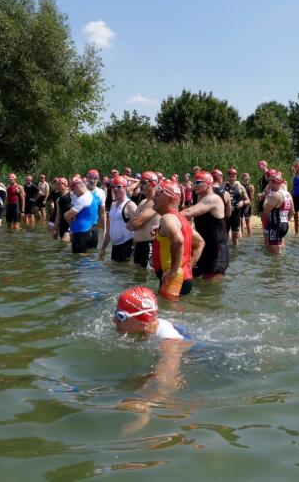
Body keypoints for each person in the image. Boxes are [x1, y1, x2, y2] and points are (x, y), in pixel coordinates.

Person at [113, 286, 193, 432]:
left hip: (204, 357)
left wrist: (146, 404)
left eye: (121, 316)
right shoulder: (146, 325)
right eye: (115, 312)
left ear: (143, 322)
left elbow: (168, 381)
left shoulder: (169, 343)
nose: (114, 320)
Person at [151, 180, 204, 300]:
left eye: (158, 194)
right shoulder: (181, 219)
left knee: (168, 309)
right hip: (183, 276)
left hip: (173, 278)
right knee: (175, 310)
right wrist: (188, 265)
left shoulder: (167, 218)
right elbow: (200, 243)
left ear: (169, 198)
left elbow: (178, 240)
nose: (153, 198)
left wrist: (173, 272)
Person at [181, 171, 229, 278]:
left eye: (198, 182)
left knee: (211, 287)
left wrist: (168, 219)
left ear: (208, 184)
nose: (194, 185)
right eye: (194, 182)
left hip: (216, 254)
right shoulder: (200, 199)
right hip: (202, 251)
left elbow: (188, 212)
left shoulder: (213, 198)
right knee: (193, 281)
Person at [127, 171, 161, 269]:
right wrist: (135, 224)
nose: (140, 185)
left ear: (153, 183)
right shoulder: (142, 202)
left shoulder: (155, 202)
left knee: (147, 276)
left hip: (149, 245)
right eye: (140, 182)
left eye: (143, 182)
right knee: (137, 275)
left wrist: (136, 223)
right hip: (138, 245)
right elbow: (129, 225)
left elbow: (136, 222)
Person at [99, 176, 137, 262]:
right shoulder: (113, 205)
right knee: (115, 269)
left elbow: (139, 227)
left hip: (127, 245)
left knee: (124, 270)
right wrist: (103, 248)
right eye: (113, 187)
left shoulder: (130, 205)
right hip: (115, 246)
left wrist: (135, 248)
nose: (115, 189)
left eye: (119, 187)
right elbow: (109, 230)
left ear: (125, 188)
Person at [64, 176, 100, 254]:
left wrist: (65, 214)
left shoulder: (83, 198)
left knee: (79, 258)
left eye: (73, 189)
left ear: (77, 187)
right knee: (90, 256)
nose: (73, 192)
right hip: (92, 231)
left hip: (81, 233)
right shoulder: (92, 195)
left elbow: (68, 215)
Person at [261, 171, 294, 254]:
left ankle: (277, 263)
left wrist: (266, 196)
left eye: (270, 182)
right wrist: (285, 220)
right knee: (280, 247)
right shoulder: (288, 194)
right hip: (284, 225)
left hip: (276, 225)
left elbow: (265, 209)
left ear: (274, 183)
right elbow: (292, 212)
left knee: (275, 253)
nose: (269, 184)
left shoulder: (276, 195)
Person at [224, 167, 249, 247]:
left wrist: (242, 202)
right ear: (227, 176)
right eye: (230, 175)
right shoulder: (223, 186)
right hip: (225, 214)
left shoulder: (240, 187)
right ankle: (226, 252)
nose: (232, 177)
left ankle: (236, 252)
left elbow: (248, 200)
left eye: (234, 175)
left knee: (235, 239)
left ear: (236, 176)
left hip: (236, 214)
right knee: (225, 239)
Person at [52, 178, 72, 243]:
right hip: (62, 225)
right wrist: (55, 230)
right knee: (64, 245)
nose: (57, 186)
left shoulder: (72, 195)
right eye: (56, 184)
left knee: (64, 241)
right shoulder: (59, 199)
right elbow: (58, 215)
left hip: (70, 224)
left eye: (59, 184)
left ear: (65, 185)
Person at [241, 172, 255, 237]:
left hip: (247, 206)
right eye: (245, 176)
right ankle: (241, 236)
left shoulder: (251, 186)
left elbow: (251, 198)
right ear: (242, 178)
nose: (247, 178)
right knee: (241, 222)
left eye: (248, 176)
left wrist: (251, 190)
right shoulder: (240, 186)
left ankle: (249, 236)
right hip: (241, 204)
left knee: (247, 222)